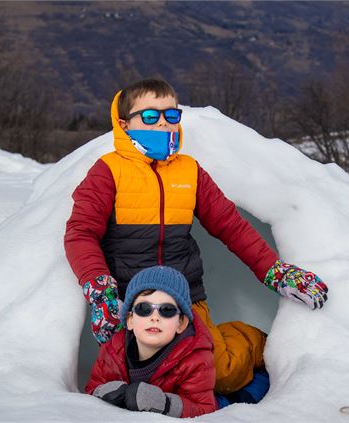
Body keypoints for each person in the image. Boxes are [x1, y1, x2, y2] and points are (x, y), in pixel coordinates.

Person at [64, 78, 329, 396]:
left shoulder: (189, 172)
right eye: (150, 116)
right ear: (124, 123)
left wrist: (275, 271)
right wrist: (100, 291)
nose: (163, 122)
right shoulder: (108, 172)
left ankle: (255, 342)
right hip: (132, 303)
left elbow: (231, 226)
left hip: (185, 298)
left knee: (222, 374)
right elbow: (80, 233)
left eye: (171, 115)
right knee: (145, 378)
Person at [84, 265, 216, 418]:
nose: (154, 317)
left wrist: (164, 403)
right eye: (143, 308)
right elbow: (90, 392)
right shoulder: (112, 351)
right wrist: (103, 392)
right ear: (129, 320)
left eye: (166, 310)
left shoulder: (196, 360)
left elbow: (205, 411)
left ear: (181, 323)